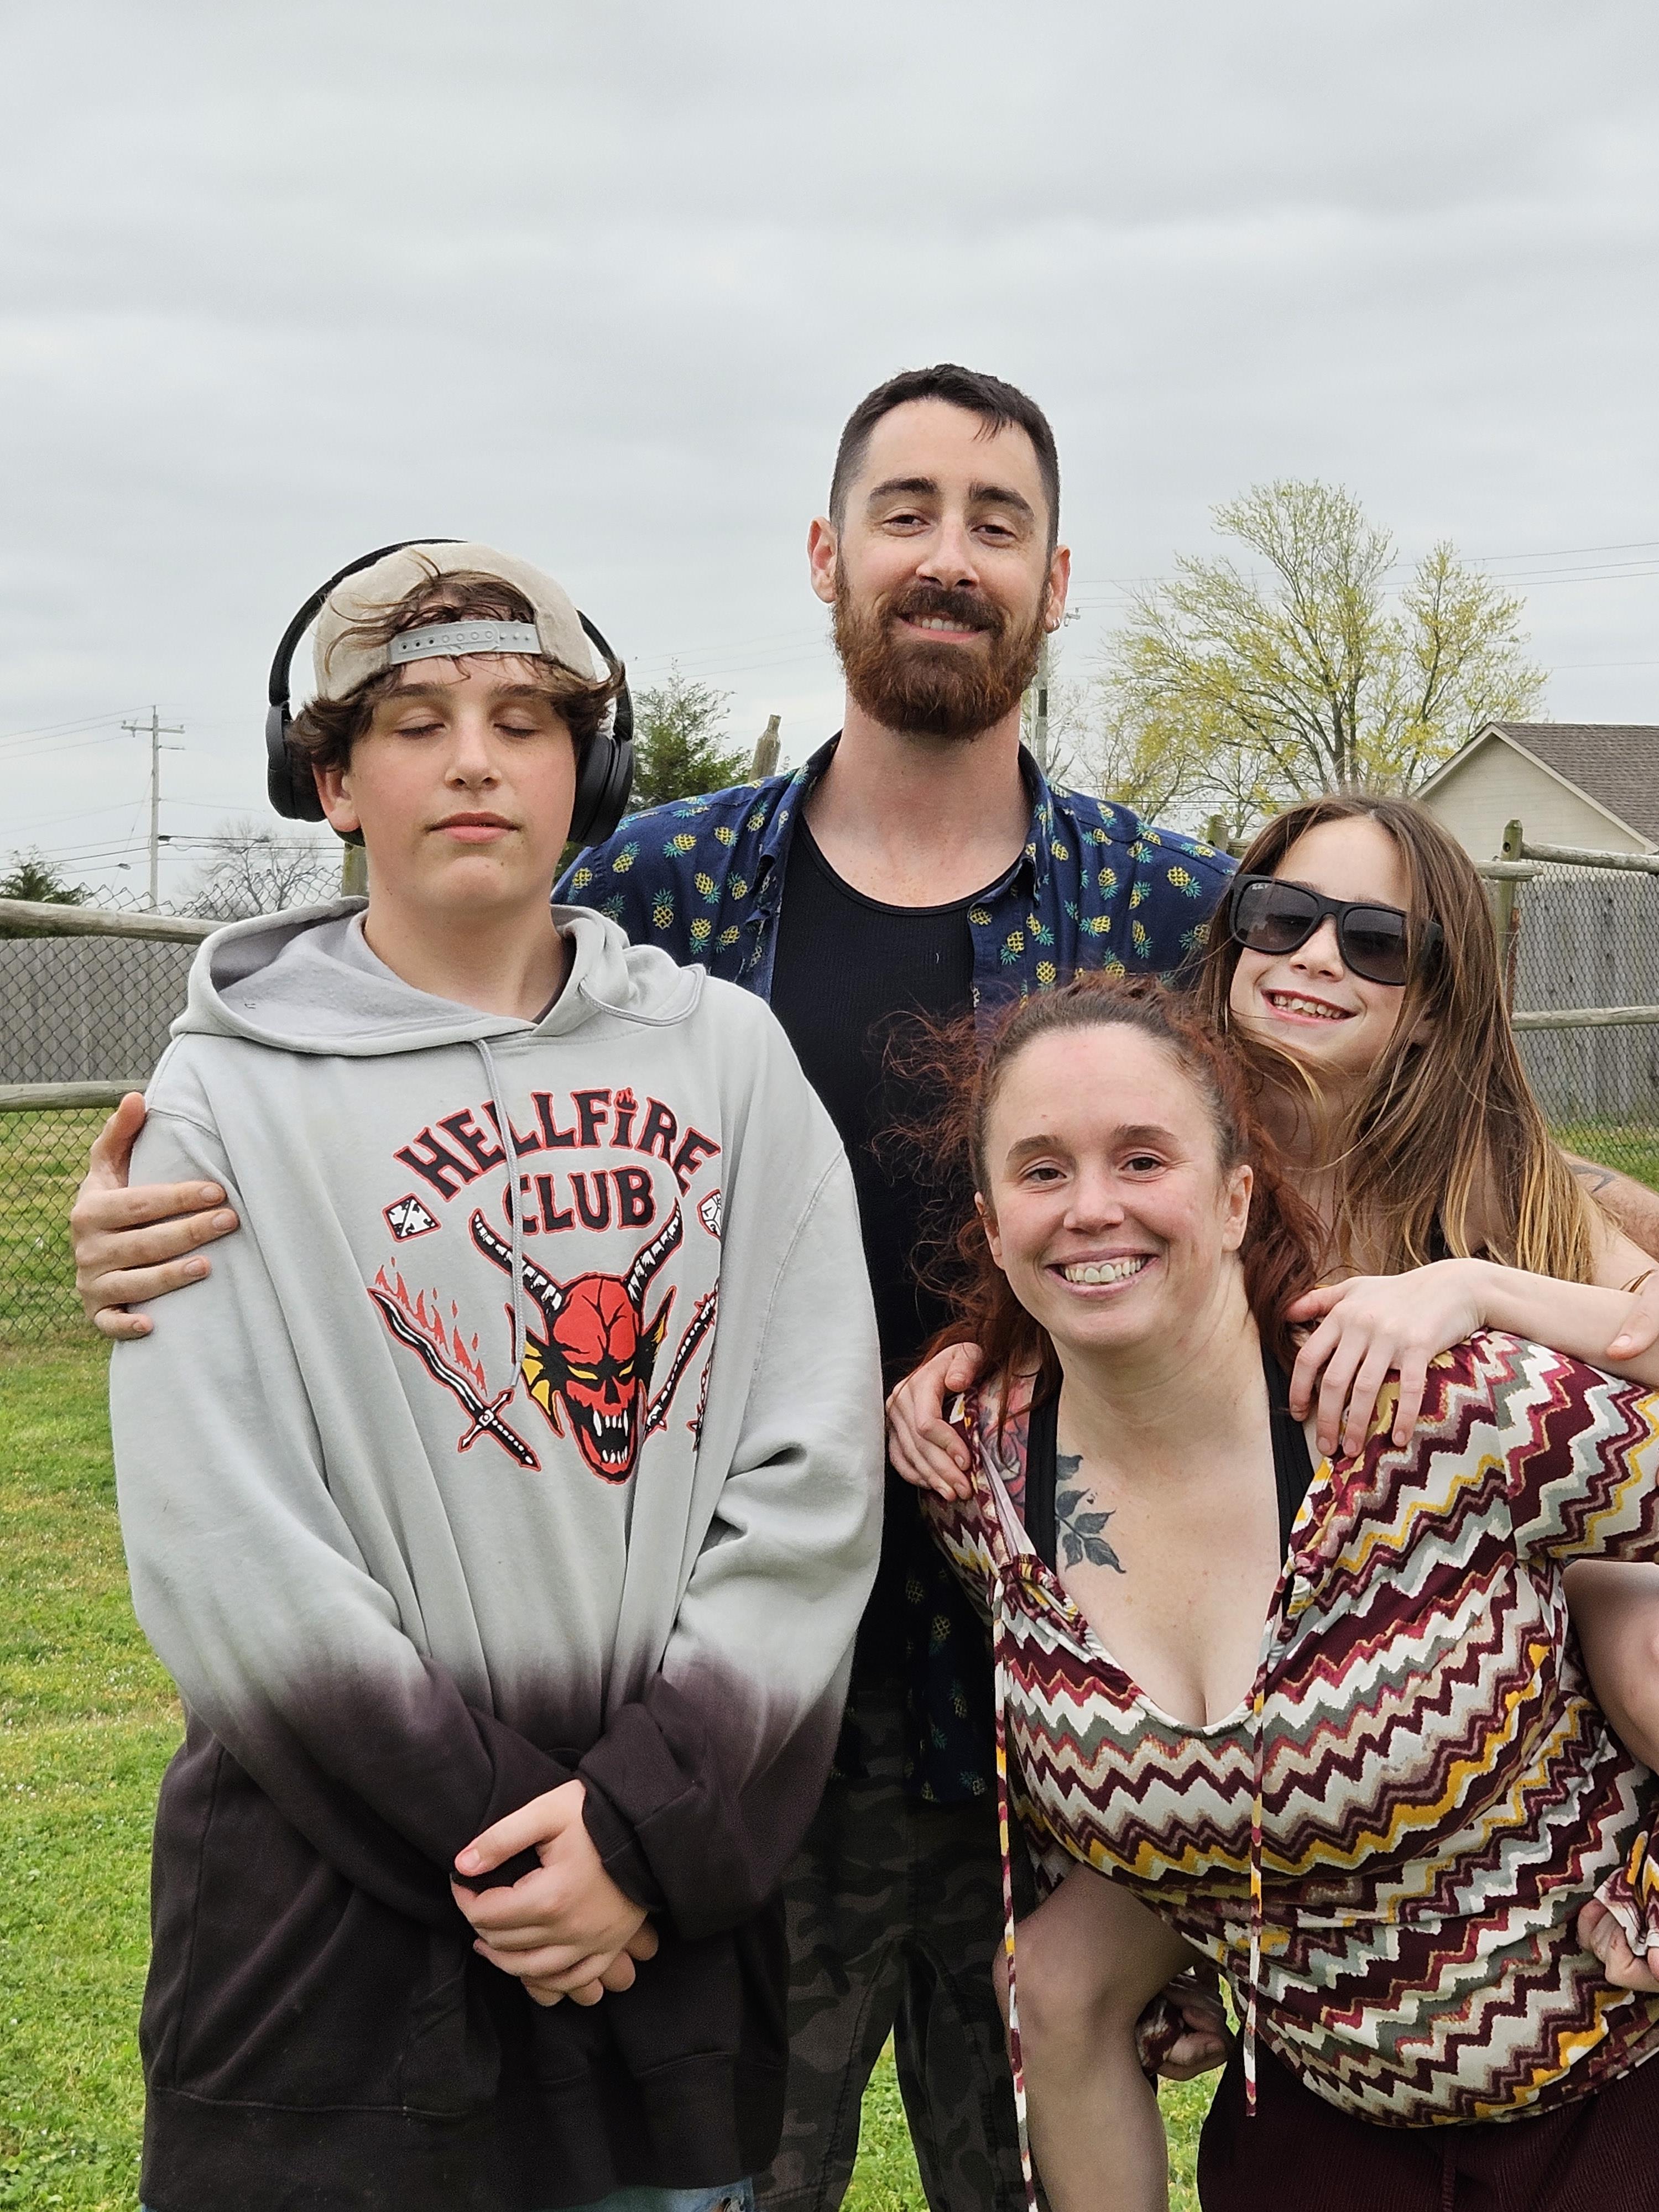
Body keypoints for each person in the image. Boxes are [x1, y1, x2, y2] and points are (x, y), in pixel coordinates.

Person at [74, 365, 1235, 2212]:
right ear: (827, 556)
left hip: (1049, 1729)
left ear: (1057, 574)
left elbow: (1365, 1164)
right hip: (743, 1765)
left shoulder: (1178, 915)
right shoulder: (669, 885)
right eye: (906, 511)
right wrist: (148, 1203)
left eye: (995, 520)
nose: (947, 557)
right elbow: (422, 1006)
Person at [107, 542, 883, 2212]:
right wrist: (535, 1855)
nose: (476, 758)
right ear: (329, 779)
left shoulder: (729, 1064)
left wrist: (639, 1833)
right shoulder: (216, 1107)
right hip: (327, 1980)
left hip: (659, 1968)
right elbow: (231, 1549)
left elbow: (813, 1483)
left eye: (527, 720)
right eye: (415, 721)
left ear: (588, 773)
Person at [889, 794, 1659, 2203]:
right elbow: (1099, 1312)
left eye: (1375, 942)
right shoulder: (1127, 1206)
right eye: (1280, 916)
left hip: (1532, 1607)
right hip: (1288, 1738)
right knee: (1057, 1978)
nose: (1315, 955)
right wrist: (967, 1362)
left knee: (1635, 1632)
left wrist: (1472, 1285)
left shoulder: (1501, 1200)